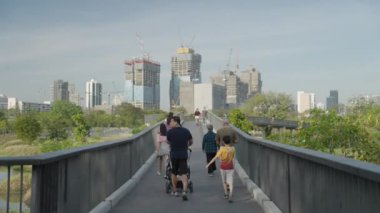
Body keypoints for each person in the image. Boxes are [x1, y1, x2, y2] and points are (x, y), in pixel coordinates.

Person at [167, 116, 193, 201]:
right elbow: (191, 141)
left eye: (171, 122)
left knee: (174, 172)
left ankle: (175, 191)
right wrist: (186, 146)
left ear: (176, 122)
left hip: (174, 155)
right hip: (183, 154)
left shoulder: (170, 132)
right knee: (184, 173)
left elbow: (168, 142)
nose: (170, 124)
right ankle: (184, 191)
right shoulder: (186, 131)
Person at [206, 135, 236, 203]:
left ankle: (226, 194)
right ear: (230, 141)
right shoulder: (233, 149)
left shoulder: (222, 149)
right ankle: (230, 194)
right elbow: (234, 159)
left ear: (223, 142)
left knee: (224, 181)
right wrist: (234, 166)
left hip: (223, 167)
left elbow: (215, 157)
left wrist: (209, 164)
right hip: (230, 167)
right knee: (230, 182)